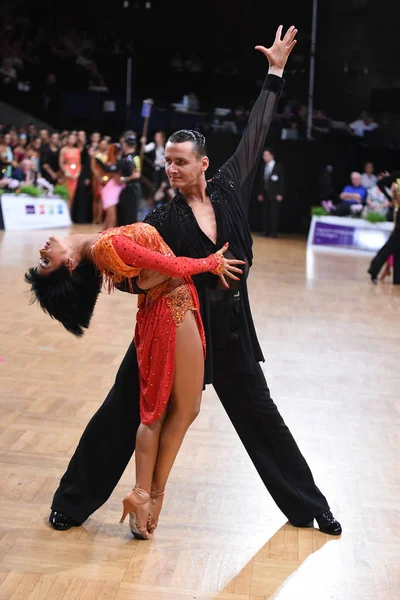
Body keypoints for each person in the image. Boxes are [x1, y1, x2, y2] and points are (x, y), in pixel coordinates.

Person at [47, 25, 342, 537]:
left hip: (228, 332)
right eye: (169, 163)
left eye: (181, 163)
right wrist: (77, 248)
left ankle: (310, 507)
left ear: (204, 164)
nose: (173, 170)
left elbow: (256, 131)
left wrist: (274, 72)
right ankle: (70, 505)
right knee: (120, 414)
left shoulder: (230, 186)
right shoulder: (165, 216)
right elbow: (122, 240)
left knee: (262, 420)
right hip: (175, 328)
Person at [25, 224, 243, 538]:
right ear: (69, 267)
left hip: (174, 305)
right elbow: (171, 267)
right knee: (157, 411)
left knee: (183, 410)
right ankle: (144, 495)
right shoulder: (106, 247)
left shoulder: (101, 248)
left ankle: (148, 495)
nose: (43, 250)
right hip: (171, 310)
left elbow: (152, 271)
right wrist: (210, 263)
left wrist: (152, 276)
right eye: (46, 262)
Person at [368, 180, 400, 284]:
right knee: (390, 246)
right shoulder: (397, 176)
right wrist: (392, 199)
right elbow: (380, 183)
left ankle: (397, 278)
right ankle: (374, 269)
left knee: (398, 248)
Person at [257, 147, 285, 237]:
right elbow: (262, 181)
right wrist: (260, 193)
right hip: (265, 193)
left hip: (275, 194)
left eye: (266, 155)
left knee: (274, 214)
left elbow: (282, 182)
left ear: (271, 156)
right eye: (263, 155)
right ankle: (265, 231)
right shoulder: (264, 166)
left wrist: (280, 194)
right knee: (265, 213)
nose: (264, 157)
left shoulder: (278, 167)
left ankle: (273, 232)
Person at [59, 133, 81, 210]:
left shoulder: (77, 150)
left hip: (75, 173)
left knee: (72, 194)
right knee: (66, 193)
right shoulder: (63, 149)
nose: (72, 140)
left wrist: (77, 173)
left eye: (73, 139)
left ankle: (69, 214)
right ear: (67, 139)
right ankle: (64, 213)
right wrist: (66, 172)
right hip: (67, 171)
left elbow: (78, 163)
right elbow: (61, 162)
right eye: (70, 138)